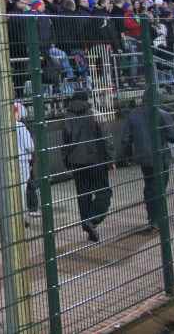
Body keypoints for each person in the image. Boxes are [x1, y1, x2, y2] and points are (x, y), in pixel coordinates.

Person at [118, 101, 174, 232]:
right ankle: (158, 219)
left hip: (144, 158)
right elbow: (173, 137)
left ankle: (153, 218)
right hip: (161, 157)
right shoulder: (162, 114)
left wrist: (127, 155)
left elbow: (125, 139)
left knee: (150, 187)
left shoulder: (133, 115)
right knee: (160, 188)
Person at [60, 96, 113, 241]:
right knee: (104, 193)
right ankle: (93, 220)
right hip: (96, 161)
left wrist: (66, 161)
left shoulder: (67, 118)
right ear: (88, 99)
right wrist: (110, 159)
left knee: (83, 196)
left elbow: (65, 143)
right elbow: (106, 138)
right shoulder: (96, 115)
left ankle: (88, 226)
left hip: (77, 163)